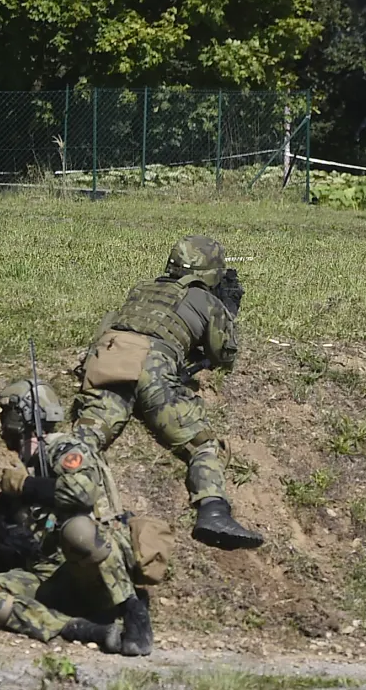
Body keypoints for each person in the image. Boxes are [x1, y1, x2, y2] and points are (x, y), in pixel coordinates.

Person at [71, 234, 262, 551]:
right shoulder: (207, 301)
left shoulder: (142, 288)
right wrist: (226, 312)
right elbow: (224, 357)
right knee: (204, 444)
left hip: (109, 356)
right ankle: (213, 510)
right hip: (154, 364)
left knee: (90, 433)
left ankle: (59, 490)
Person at [0, 379, 155, 656]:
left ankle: (132, 609)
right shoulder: (24, 470)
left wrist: (24, 487)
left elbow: (81, 494)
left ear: (22, 415)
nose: (3, 425)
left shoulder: (64, 450)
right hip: (49, 580)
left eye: (6, 414)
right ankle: (80, 628)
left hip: (92, 572)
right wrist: (5, 538)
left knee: (77, 530)